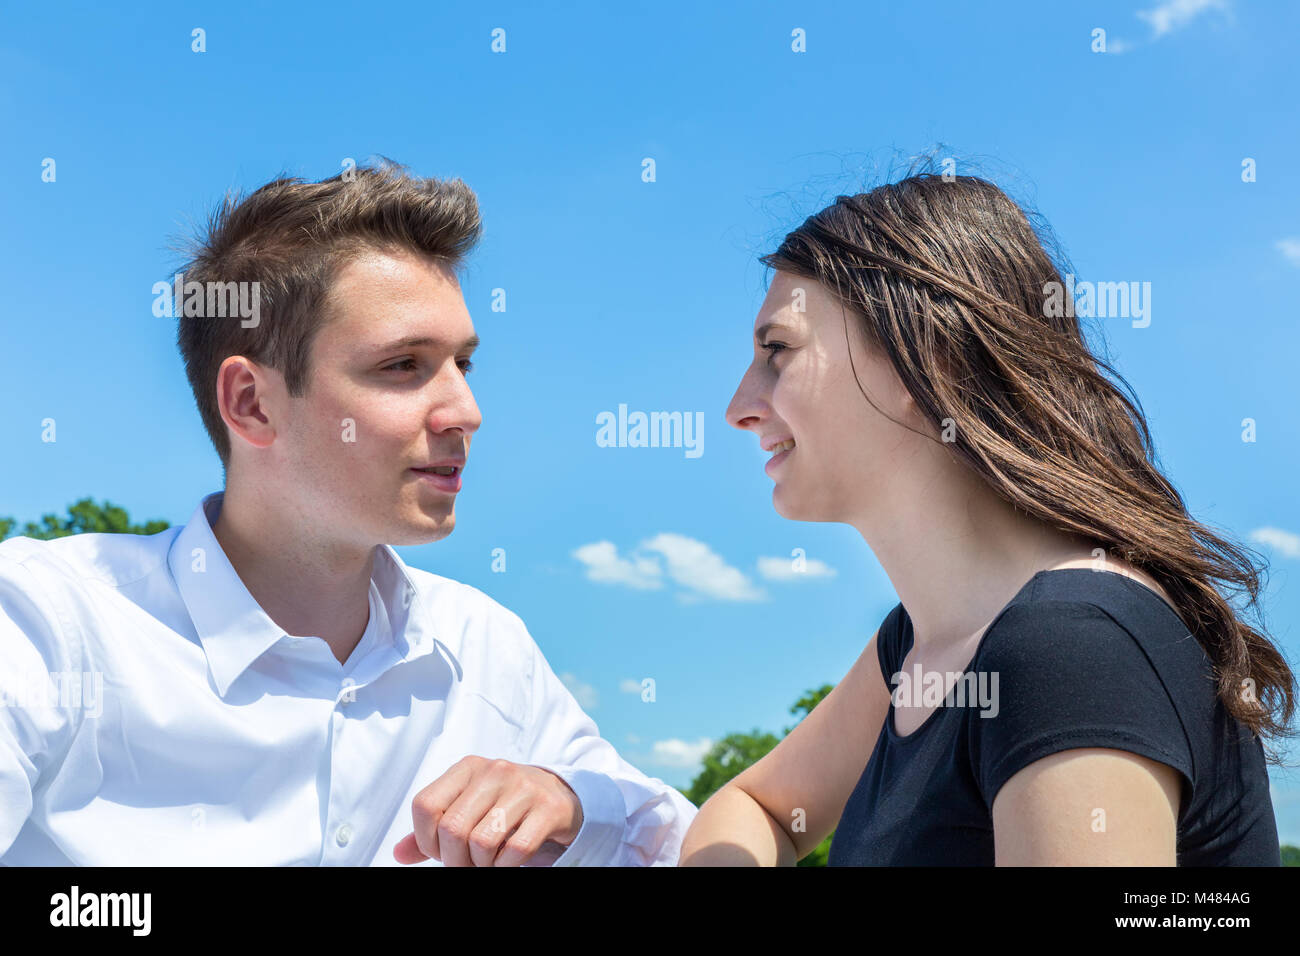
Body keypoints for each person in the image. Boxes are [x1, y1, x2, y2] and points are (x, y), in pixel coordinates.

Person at [0, 160, 696, 866]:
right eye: (403, 366)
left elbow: (686, 843)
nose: (467, 413)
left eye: (464, 364)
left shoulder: (484, 647)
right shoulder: (41, 623)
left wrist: (575, 804)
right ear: (252, 403)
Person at [679, 170, 1294, 866]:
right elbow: (756, 809)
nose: (738, 407)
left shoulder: (1071, 649)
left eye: (777, 351)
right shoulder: (915, 646)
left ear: (924, 360)